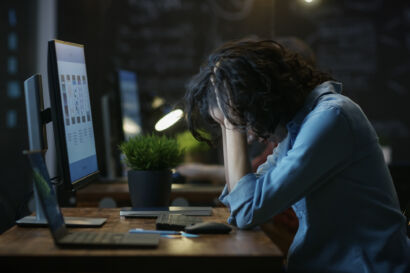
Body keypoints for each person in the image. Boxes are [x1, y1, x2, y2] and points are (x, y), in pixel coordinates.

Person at [184, 39, 410, 272]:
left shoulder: (331, 116)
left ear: (266, 97)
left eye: (246, 117)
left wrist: (232, 124)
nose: (250, 132)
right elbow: (240, 202)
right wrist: (226, 119)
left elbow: (247, 211)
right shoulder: (297, 129)